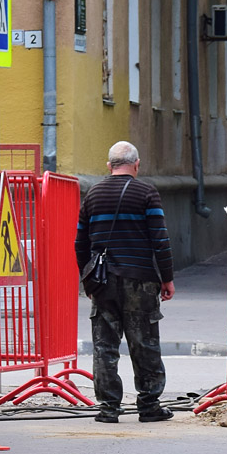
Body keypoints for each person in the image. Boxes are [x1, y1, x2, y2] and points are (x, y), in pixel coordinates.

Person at [75, 141, 176, 423]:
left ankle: (108, 408)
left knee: (105, 345)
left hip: (103, 281)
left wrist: (88, 280)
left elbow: (80, 242)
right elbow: (160, 240)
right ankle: (149, 406)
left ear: (109, 165)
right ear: (137, 164)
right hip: (140, 280)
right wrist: (166, 278)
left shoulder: (93, 194)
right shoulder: (147, 192)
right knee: (144, 343)